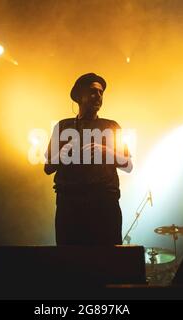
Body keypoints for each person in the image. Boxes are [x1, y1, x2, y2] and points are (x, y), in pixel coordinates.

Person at [44, 73, 133, 245]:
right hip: (70, 205)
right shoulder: (63, 126)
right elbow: (48, 168)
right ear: (79, 96)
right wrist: (61, 155)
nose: (99, 96)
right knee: (69, 261)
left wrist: (106, 151)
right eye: (93, 91)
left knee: (108, 260)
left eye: (101, 93)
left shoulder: (112, 126)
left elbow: (128, 165)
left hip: (104, 204)